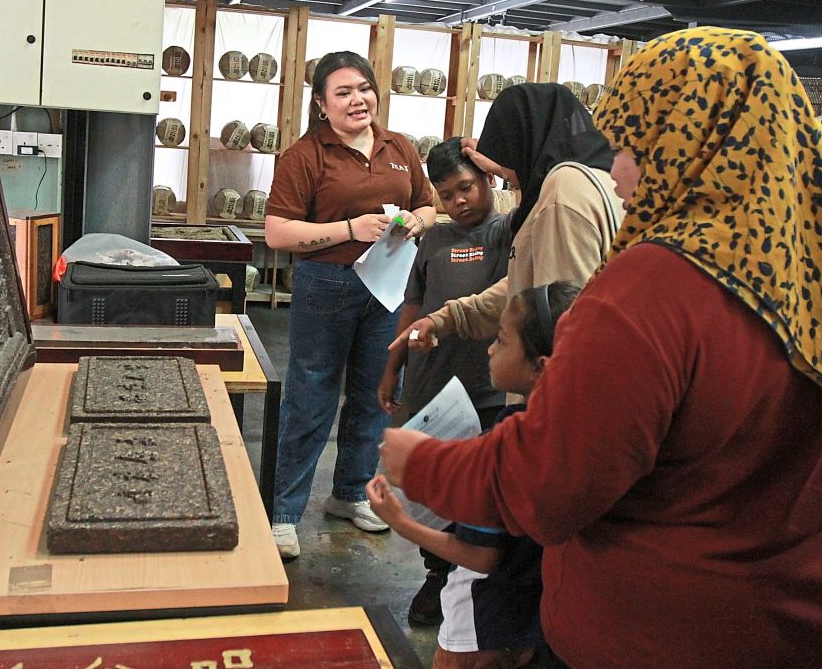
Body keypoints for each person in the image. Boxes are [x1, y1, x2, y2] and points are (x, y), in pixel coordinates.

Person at [377, 27, 822, 668]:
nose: (621, 175)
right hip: (812, 625)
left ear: (696, 141)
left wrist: (428, 465)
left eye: (633, 145)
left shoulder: (657, 286)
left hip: (663, 631)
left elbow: (554, 485)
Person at [264, 50, 436, 560]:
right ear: (321, 104)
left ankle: (351, 492)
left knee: (375, 393)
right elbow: (277, 232)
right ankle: (285, 511)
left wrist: (417, 223)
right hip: (327, 284)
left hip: (388, 286)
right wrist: (348, 229)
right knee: (311, 395)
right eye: (343, 92)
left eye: (363, 88)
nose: (357, 99)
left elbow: (427, 203)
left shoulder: (399, 146)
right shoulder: (305, 156)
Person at [369, 282, 580, 669]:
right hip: (532, 621)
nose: (490, 349)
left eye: (501, 341)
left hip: (480, 621)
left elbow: (482, 557)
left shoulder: (508, 443)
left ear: (541, 367)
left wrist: (399, 521)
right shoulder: (573, 437)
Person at [377, 137, 513, 627]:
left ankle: (478, 576)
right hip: (431, 383)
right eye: (447, 194)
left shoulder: (509, 232)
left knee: (479, 489)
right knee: (433, 488)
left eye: (468, 187)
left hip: (488, 387)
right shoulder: (433, 240)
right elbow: (412, 305)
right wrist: (392, 367)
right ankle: (436, 574)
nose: (460, 202)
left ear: (488, 181)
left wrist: (501, 162)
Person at [398, 83, 622, 367]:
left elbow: (558, 308)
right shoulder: (591, 178)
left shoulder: (562, 193)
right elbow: (527, 284)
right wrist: (450, 318)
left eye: (507, 155)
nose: (505, 171)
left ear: (525, 143)